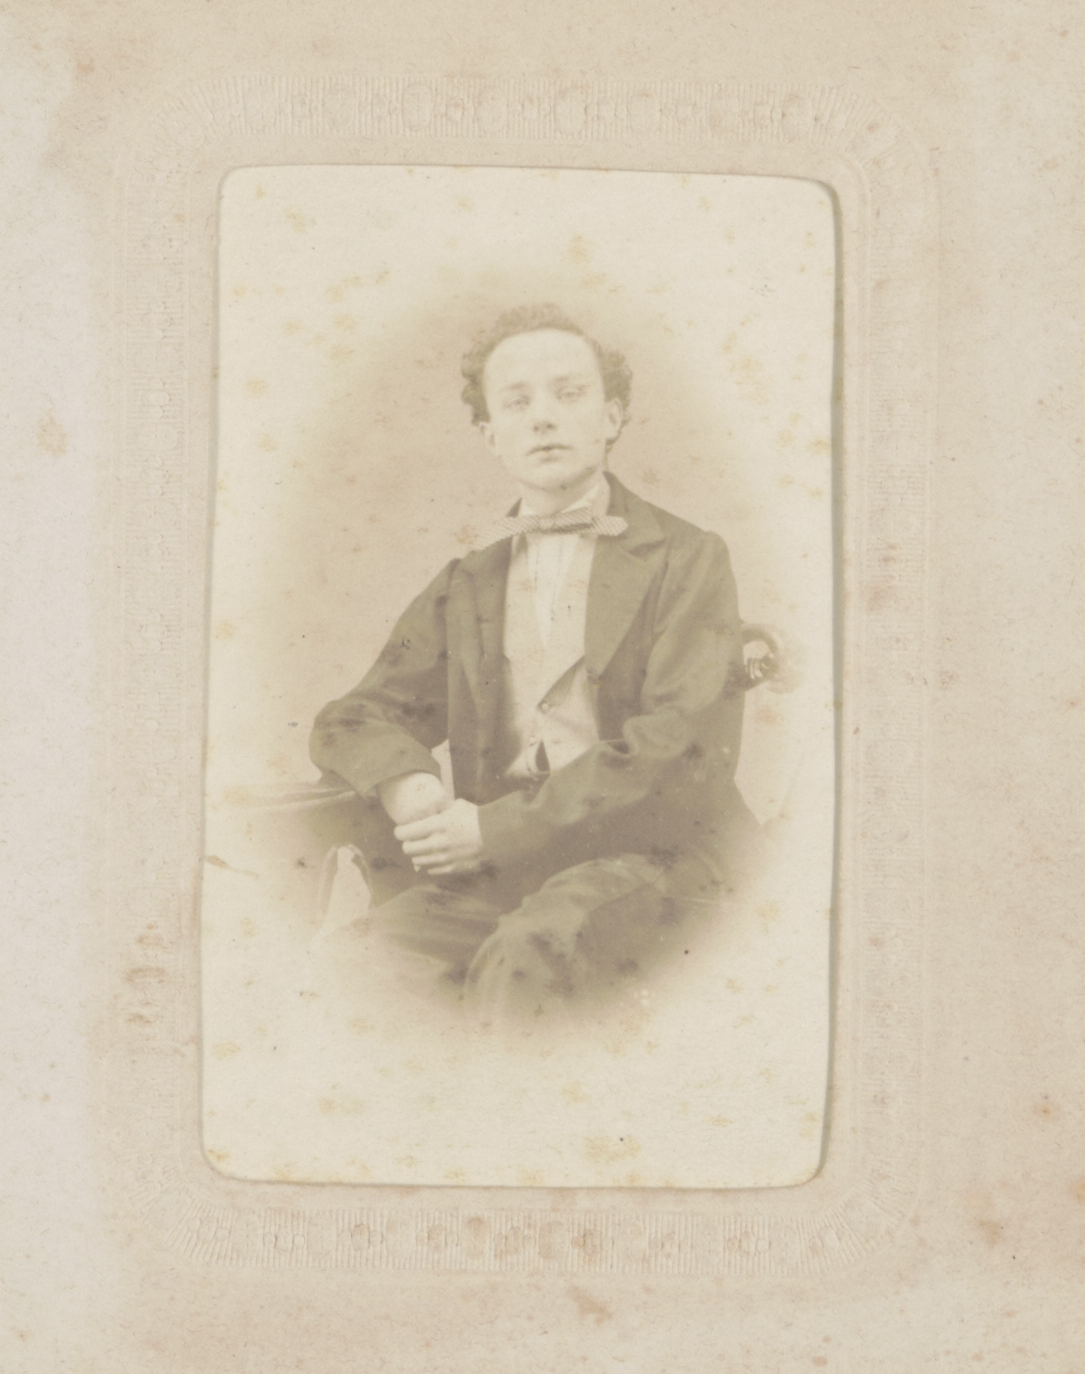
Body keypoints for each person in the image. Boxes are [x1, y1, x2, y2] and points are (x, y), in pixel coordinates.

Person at [309, 304, 756, 1018]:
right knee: (354, 963)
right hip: (506, 873)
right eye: (516, 403)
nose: (542, 417)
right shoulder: (470, 580)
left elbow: (679, 749)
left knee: (529, 953)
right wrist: (408, 783)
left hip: (653, 860)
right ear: (491, 435)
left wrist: (492, 829)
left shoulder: (687, 558)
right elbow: (355, 717)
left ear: (611, 416)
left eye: (568, 394)